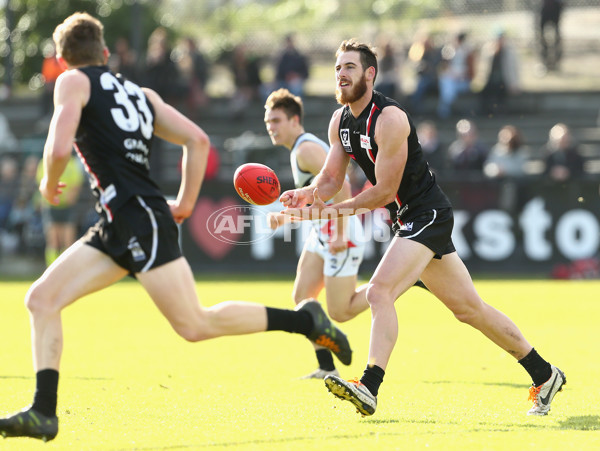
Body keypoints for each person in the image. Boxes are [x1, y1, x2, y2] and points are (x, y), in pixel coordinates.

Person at [0, 13, 351, 442]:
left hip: (135, 217)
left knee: (194, 325)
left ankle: (306, 322)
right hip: (123, 219)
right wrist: (185, 203)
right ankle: (43, 411)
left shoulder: (73, 81)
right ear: (106, 54)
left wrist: (49, 179)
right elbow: (198, 140)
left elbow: (57, 146)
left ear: (61, 59)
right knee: (41, 299)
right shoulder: (141, 94)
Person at [280, 38, 565, 418]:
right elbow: (330, 179)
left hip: (427, 213)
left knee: (380, 291)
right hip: (409, 220)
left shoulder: (390, 119)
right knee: (470, 309)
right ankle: (545, 375)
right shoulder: (340, 121)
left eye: (350, 67)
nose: (341, 74)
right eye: (337, 68)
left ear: (370, 73)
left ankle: (369, 385)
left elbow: (384, 191)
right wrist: (306, 194)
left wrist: (336, 213)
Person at [264, 88, 369, 379]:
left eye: (277, 120)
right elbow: (317, 201)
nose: (271, 127)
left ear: (295, 121)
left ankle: (403, 279)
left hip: (340, 233)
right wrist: (285, 218)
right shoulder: (299, 149)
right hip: (322, 232)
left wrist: (340, 234)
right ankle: (326, 367)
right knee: (303, 297)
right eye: (268, 122)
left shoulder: (305, 149)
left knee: (340, 312)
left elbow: (344, 186)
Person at [36, 152, 85, 266]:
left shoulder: (72, 163)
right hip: (51, 205)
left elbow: (77, 182)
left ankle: (67, 267)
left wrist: (72, 195)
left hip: (67, 206)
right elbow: (41, 181)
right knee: (53, 240)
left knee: (68, 240)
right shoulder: (44, 162)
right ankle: (51, 268)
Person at [478, 30, 521, 116]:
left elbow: (514, 69)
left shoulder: (509, 51)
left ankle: (500, 112)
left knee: (500, 91)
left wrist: (515, 84)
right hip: (490, 80)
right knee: (485, 93)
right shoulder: (488, 49)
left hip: (504, 81)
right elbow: (483, 68)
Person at [437, 32, 476, 119]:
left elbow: (471, 71)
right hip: (451, 80)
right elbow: (443, 68)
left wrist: (461, 75)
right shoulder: (448, 51)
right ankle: (445, 109)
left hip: (463, 81)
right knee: (447, 84)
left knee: (449, 88)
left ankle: (444, 110)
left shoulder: (467, 52)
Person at [538, 0, 564, 70]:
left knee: (557, 37)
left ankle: (556, 62)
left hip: (556, 5)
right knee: (542, 36)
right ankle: (544, 61)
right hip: (546, 5)